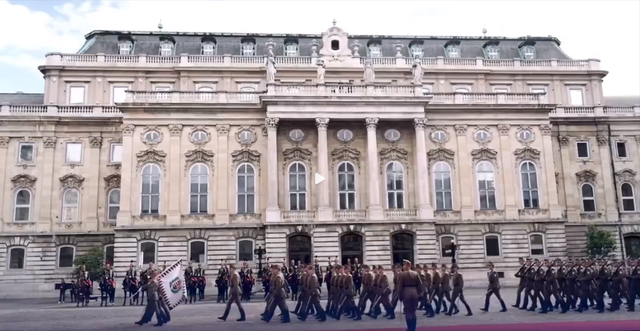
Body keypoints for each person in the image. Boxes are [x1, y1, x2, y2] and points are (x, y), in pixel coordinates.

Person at [396, 259, 423, 331]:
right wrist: (420, 294)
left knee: (407, 311)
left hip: (406, 293)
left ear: (407, 265)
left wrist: (399, 295)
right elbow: (420, 284)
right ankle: (413, 328)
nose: (403, 266)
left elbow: (400, 286)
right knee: (413, 311)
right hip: (414, 293)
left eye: (404, 265)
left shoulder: (402, 274)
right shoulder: (416, 273)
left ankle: (409, 328)